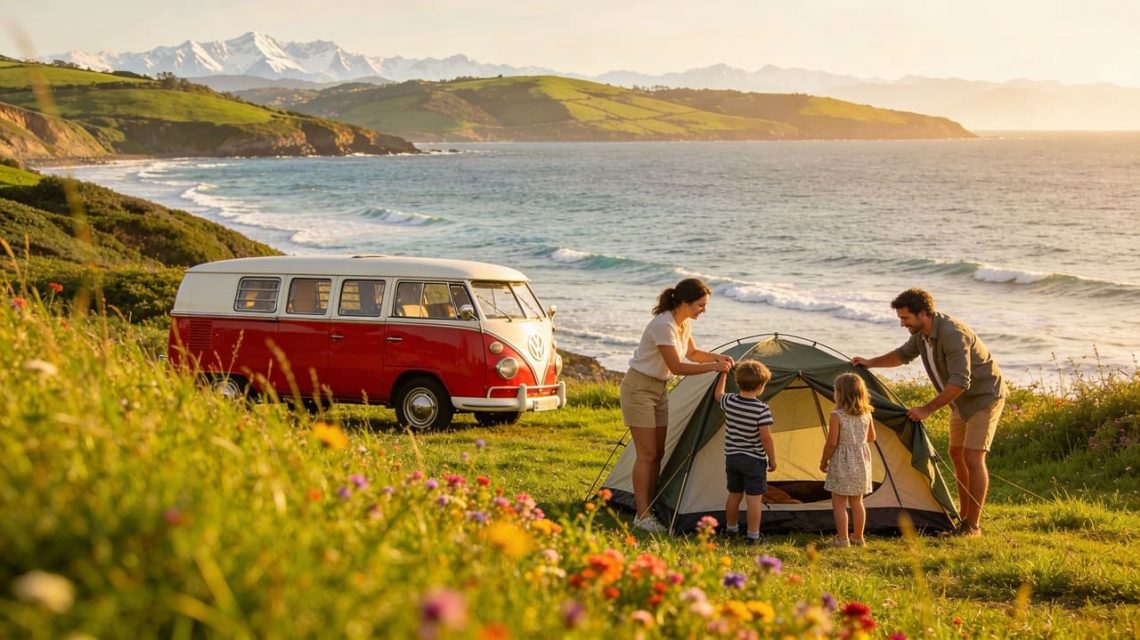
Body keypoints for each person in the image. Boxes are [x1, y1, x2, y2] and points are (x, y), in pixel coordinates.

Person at [851, 288, 1006, 537]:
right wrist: (870, 362)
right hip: (959, 401)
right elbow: (903, 355)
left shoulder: (953, 334)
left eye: (905, 318)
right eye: (900, 318)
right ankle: (964, 519)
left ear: (923, 313)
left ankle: (972, 526)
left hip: (983, 398)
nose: (902, 324)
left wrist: (927, 409)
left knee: (973, 457)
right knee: (956, 453)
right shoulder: (922, 334)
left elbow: (960, 381)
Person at [621, 278, 735, 533]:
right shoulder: (663, 325)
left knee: (658, 454)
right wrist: (714, 367)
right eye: (700, 305)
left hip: (658, 389)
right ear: (684, 302)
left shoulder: (681, 324)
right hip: (639, 388)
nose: (703, 310)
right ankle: (642, 515)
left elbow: (692, 354)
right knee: (647, 454)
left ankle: (648, 506)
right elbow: (678, 367)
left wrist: (718, 357)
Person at [713, 360, 777, 545]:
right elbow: (766, 438)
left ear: (738, 382)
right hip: (754, 462)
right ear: (761, 387)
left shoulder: (730, 401)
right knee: (754, 500)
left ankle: (731, 529)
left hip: (732, 459)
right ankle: (753, 536)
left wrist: (723, 374)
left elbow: (718, 395)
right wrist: (772, 459)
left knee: (734, 495)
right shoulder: (761, 409)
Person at [820, 373, 877, 547]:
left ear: (840, 394)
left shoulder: (837, 415)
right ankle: (859, 538)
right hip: (861, 461)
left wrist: (823, 461)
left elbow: (831, 443)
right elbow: (872, 437)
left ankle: (843, 539)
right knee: (857, 501)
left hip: (842, 462)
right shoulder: (867, 414)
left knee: (839, 502)